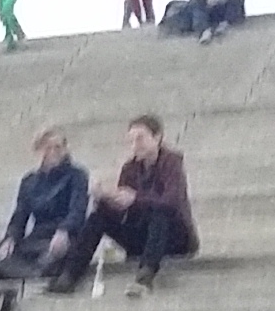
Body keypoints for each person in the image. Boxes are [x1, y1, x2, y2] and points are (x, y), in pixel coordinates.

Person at [79, 116, 200, 296]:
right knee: (99, 216)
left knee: (160, 213)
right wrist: (106, 198)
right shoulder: (130, 168)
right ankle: (70, 273)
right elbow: (124, 211)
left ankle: (144, 279)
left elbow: (171, 201)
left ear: (157, 137)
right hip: (143, 236)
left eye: (140, 138)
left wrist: (136, 199)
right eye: (132, 141)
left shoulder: (172, 162)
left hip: (175, 237)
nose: (135, 145)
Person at [0, 128, 95, 292]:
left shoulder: (77, 175)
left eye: (58, 147)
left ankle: (18, 273)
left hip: (61, 241)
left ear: (65, 149)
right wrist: (10, 239)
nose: (53, 152)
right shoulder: (29, 181)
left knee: (57, 254)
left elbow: (78, 210)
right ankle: (33, 274)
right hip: (34, 242)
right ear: (39, 151)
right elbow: (20, 216)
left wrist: (64, 230)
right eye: (48, 148)